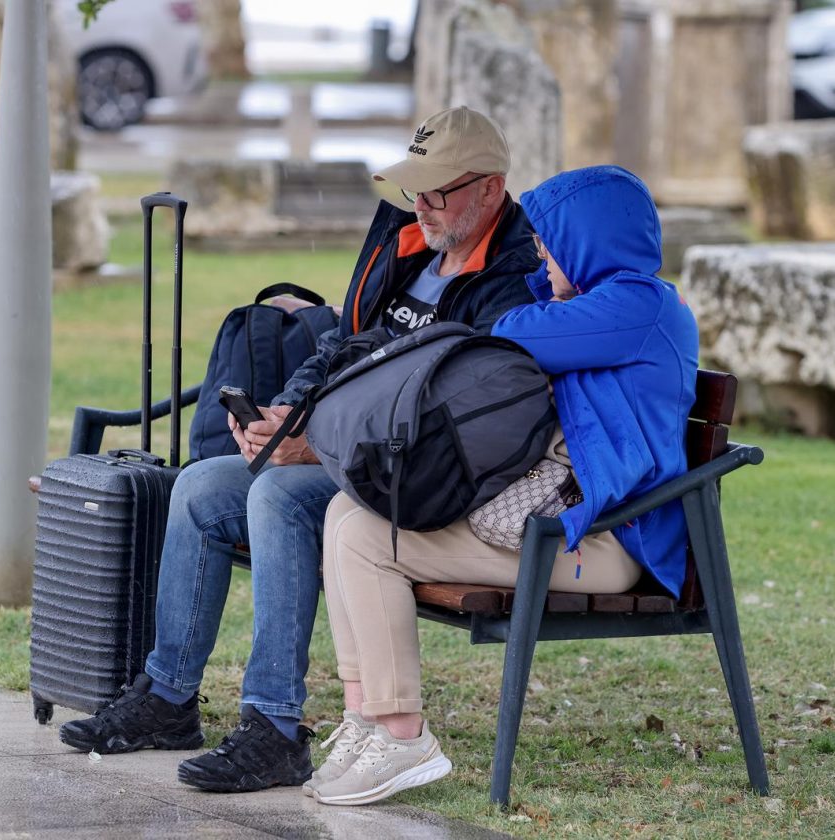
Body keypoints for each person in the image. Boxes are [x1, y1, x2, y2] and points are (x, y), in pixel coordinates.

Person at [57, 106, 541, 794]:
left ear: (491, 187)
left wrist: (318, 446)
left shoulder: (515, 280)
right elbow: (340, 345)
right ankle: (168, 697)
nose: (422, 205)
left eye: (439, 191)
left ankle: (274, 727)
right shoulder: (406, 244)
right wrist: (287, 415)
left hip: (423, 476)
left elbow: (451, 416)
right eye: (415, 188)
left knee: (279, 496)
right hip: (346, 449)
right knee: (199, 487)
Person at [310, 165, 700, 806]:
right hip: (562, 523)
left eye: (551, 241)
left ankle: (402, 735)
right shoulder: (602, 305)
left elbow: (508, 331)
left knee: (368, 540)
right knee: (344, 513)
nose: (540, 253)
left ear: (589, 238)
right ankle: (366, 719)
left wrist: (538, 296)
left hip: (602, 541)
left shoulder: (641, 305)